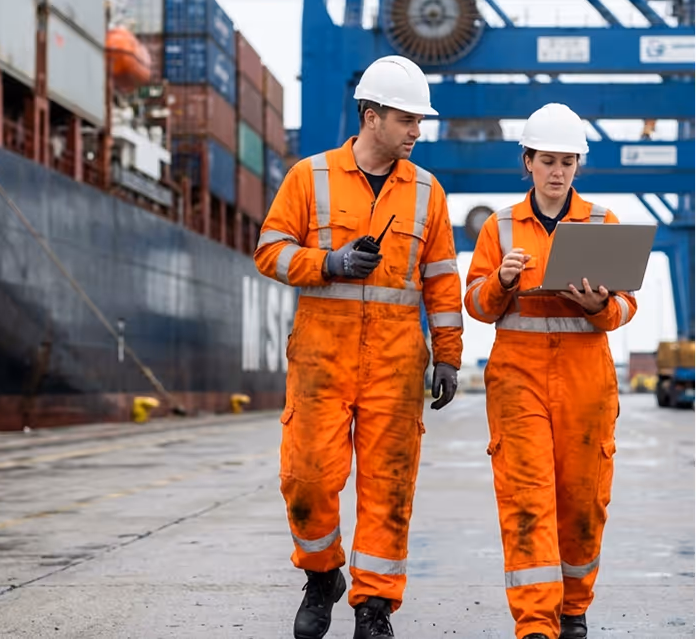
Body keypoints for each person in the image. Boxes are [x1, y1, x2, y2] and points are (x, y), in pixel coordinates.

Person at [254, 55, 463, 639]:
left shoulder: (428, 192)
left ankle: (374, 606)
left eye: (419, 121)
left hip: (396, 365)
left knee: (389, 487)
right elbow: (269, 249)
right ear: (371, 117)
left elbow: (443, 280)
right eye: (406, 120)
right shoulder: (309, 176)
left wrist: (447, 353)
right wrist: (329, 263)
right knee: (307, 478)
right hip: (322, 359)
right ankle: (322, 575)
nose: (417, 132)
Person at [464, 102, 637, 639]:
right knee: (526, 497)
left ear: (578, 165)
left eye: (567, 161)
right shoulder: (500, 227)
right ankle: (536, 623)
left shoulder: (602, 223)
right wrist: (503, 281)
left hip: (586, 383)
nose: (557, 171)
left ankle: (574, 609)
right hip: (518, 381)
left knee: (583, 499)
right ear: (528, 162)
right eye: (547, 160)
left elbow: (627, 305)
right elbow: (475, 302)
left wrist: (598, 305)